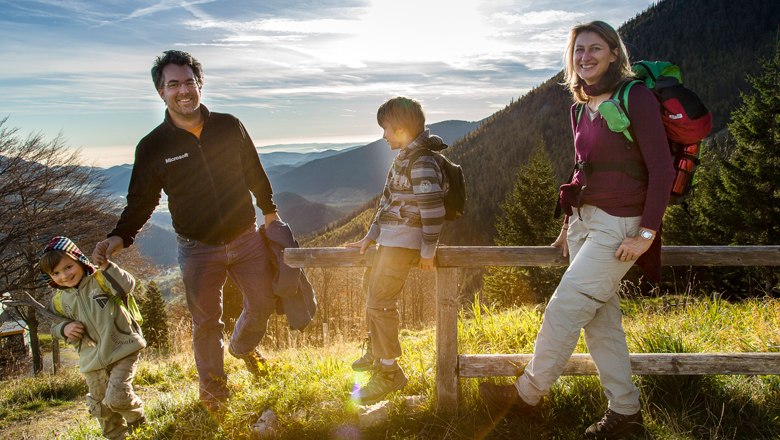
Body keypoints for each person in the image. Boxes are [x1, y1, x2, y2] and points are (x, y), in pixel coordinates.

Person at [478, 21, 674, 439]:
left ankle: (527, 396)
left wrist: (647, 232)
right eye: (578, 50)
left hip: (619, 226)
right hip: (586, 223)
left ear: (614, 53)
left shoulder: (634, 96)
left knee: (563, 310)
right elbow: (580, 170)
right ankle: (626, 414)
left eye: (595, 48)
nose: (585, 57)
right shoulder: (579, 105)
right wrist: (568, 224)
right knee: (600, 323)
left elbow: (661, 168)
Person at [91, 50, 281, 412]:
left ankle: (242, 347)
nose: (183, 90)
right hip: (197, 249)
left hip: (245, 236)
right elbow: (141, 200)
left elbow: (254, 172)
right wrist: (120, 236)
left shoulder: (229, 125)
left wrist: (270, 212)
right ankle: (213, 392)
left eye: (189, 82)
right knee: (207, 323)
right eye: (173, 84)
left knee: (263, 303)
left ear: (200, 84)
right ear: (160, 92)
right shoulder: (153, 146)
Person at [346, 96, 447, 405]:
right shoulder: (403, 158)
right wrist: (369, 237)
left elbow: (433, 209)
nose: (384, 135)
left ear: (402, 129)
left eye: (387, 129)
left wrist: (428, 250)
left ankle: (389, 370)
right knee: (371, 292)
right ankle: (377, 353)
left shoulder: (422, 162)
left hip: (403, 244)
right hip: (389, 241)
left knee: (380, 303)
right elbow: (386, 202)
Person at [40, 236, 146, 439]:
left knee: (117, 397)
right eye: (56, 273)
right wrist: (64, 328)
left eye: (68, 267)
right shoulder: (60, 301)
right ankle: (117, 436)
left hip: (122, 347)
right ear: (50, 276)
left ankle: (137, 420)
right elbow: (52, 325)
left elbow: (127, 286)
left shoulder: (100, 279)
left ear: (79, 260)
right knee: (100, 408)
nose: (64, 275)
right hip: (91, 360)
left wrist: (107, 266)